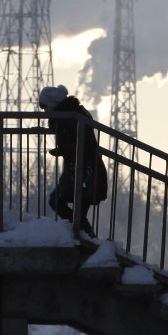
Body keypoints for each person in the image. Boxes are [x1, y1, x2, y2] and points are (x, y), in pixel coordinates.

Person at [39, 85, 108, 236]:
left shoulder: (70, 117)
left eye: (44, 106)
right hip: (84, 170)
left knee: (56, 201)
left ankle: (86, 237)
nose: (43, 110)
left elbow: (84, 143)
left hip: (85, 171)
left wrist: (62, 150)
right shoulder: (70, 115)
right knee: (77, 212)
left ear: (53, 104)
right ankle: (86, 237)